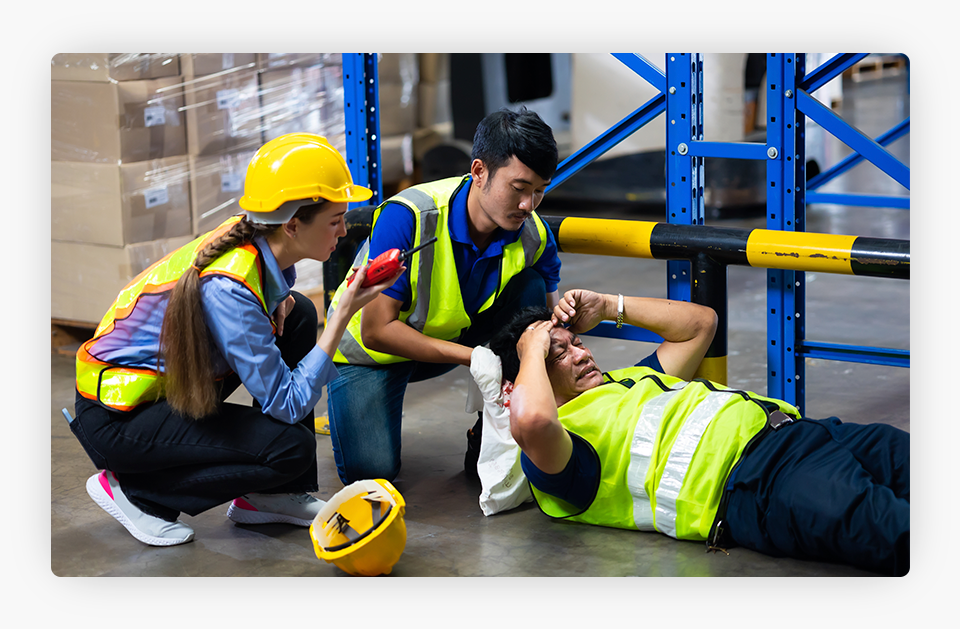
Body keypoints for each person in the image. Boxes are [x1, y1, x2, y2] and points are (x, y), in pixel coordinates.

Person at [70, 134, 404, 547]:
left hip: (162, 388)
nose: (343, 230)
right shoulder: (230, 289)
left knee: (297, 312)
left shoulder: (257, 242)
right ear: (293, 224)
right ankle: (138, 495)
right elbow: (287, 404)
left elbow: (272, 313)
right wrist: (341, 316)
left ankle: (272, 496)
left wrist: (280, 301)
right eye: (335, 220)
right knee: (290, 448)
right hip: (120, 417)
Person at [486, 289, 909, 576]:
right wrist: (529, 350)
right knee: (902, 533)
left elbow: (699, 324)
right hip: (763, 485)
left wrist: (611, 305)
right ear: (524, 377)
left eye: (577, 341)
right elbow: (533, 421)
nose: (581, 353)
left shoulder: (631, 380)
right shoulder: (558, 451)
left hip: (809, 435)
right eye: (558, 353)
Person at [325, 107, 563, 484]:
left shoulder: (533, 234)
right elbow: (375, 331)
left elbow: (548, 320)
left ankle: (493, 433)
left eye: (539, 192)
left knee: (530, 290)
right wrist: (475, 358)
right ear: (479, 172)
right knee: (371, 472)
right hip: (372, 354)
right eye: (518, 189)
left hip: (449, 338)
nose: (527, 205)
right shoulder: (410, 217)